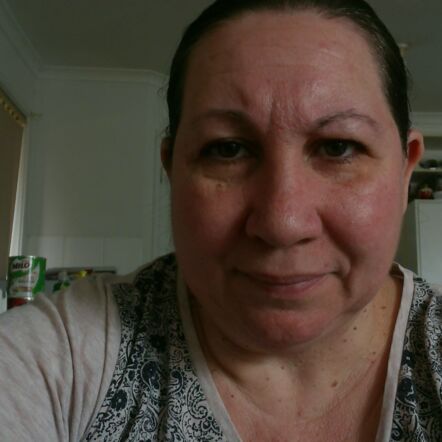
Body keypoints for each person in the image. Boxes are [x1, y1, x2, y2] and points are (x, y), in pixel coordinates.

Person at [0, 0, 441, 440]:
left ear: (405, 171)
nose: (282, 223)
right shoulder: (62, 358)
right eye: (227, 149)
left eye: (338, 147)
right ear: (172, 170)